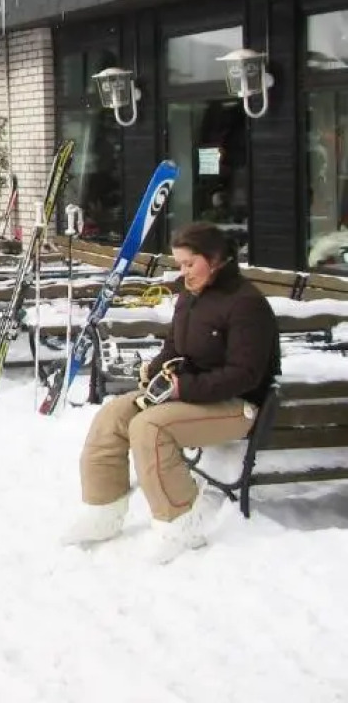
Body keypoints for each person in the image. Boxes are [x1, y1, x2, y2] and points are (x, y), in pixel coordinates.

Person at [63, 222, 280, 563]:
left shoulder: (246, 304)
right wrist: (155, 369)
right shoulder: (190, 297)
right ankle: (103, 511)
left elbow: (246, 375)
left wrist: (185, 388)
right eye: (179, 264)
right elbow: (175, 345)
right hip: (194, 394)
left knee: (150, 427)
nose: (184, 272)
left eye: (189, 264)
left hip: (239, 406)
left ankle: (179, 523)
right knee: (113, 415)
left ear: (216, 259)